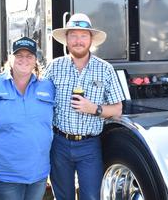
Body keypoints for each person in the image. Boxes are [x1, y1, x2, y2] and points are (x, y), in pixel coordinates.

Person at [42, 13, 125, 200]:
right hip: (59, 143)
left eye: (83, 35)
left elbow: (117, 109)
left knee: (92, 197)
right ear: (66, 39)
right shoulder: (54, 67)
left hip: (89, 146)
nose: (78, 41)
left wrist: (93, 108)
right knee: (63, 197)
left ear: (91, 39)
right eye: (73, 35)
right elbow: (40, 104)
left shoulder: (105, 69)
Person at [0, 37, 55, 200]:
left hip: (38, 173)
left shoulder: (48, 87)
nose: (24, 60)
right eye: (19, 55)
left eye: (29, 56)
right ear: (10, 58)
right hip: (4, 173)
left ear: (36, 60)